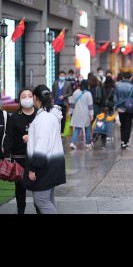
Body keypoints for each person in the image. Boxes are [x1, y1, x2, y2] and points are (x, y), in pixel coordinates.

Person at [23, 84, 66, 214]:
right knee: (47, 198)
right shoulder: (51, 114)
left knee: (41, 199)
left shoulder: (44, 117)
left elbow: (42, 142)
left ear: (35, 98)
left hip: (45, 163)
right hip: (53, 161)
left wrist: (33, 167)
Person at [2, 88, 40, 214]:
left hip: (37, 157)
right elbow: (9, 136)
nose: (27, 98)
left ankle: (39, 209)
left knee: (38, 187)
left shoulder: (40, 115)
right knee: (20, 188)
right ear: (19, 99)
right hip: (19, 158)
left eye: (30, 96)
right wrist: (7, 155)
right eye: (24, 96)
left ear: (34, 98)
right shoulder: (15, 117)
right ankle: (20, 210)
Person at [69, 79, 94, 149]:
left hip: (77, 113)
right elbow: (90, 106)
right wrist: (91, 114)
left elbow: (72, 104)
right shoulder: (88, 94)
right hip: (86, 114)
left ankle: (73, 143)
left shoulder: (75, 92)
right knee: (87, 129)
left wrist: (70, 112)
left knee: (77, 128)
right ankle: (88, 143)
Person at [113, 72, 133, 149]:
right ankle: (125, 141)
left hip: (120, 108)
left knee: (122, 124)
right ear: (130, 78)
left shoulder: (117, 86)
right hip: (129, 107)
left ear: (123, 78)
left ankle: (122, 140)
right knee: (128, 125)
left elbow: (115, 97)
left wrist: (116, 105)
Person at [52, 70, 73, 134]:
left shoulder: (68, 84)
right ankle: (56, 130)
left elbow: (70, 93)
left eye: (63, 76)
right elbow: (53, 92)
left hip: (64, 103)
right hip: (56, 102)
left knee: (63, 118)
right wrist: (52, 99)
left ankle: (62, 131)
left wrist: (64, 96)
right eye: (61, 76)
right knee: (55, 117)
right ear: (59, 76)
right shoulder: (55, 83)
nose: (62, 77)